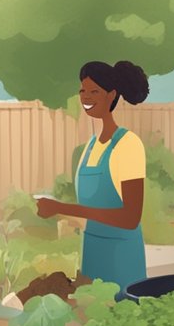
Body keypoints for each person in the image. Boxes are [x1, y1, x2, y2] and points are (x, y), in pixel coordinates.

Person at [36, 61, 149, 294]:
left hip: (121, 258)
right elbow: (92, 207)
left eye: (94, 91)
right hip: (92, 251)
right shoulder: (90, 146)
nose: (86, 96)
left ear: (112, 95)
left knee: (119, 318)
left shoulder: (128, 145)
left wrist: (62, 207)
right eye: (82, 91)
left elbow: (130, 218)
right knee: (90, 316)